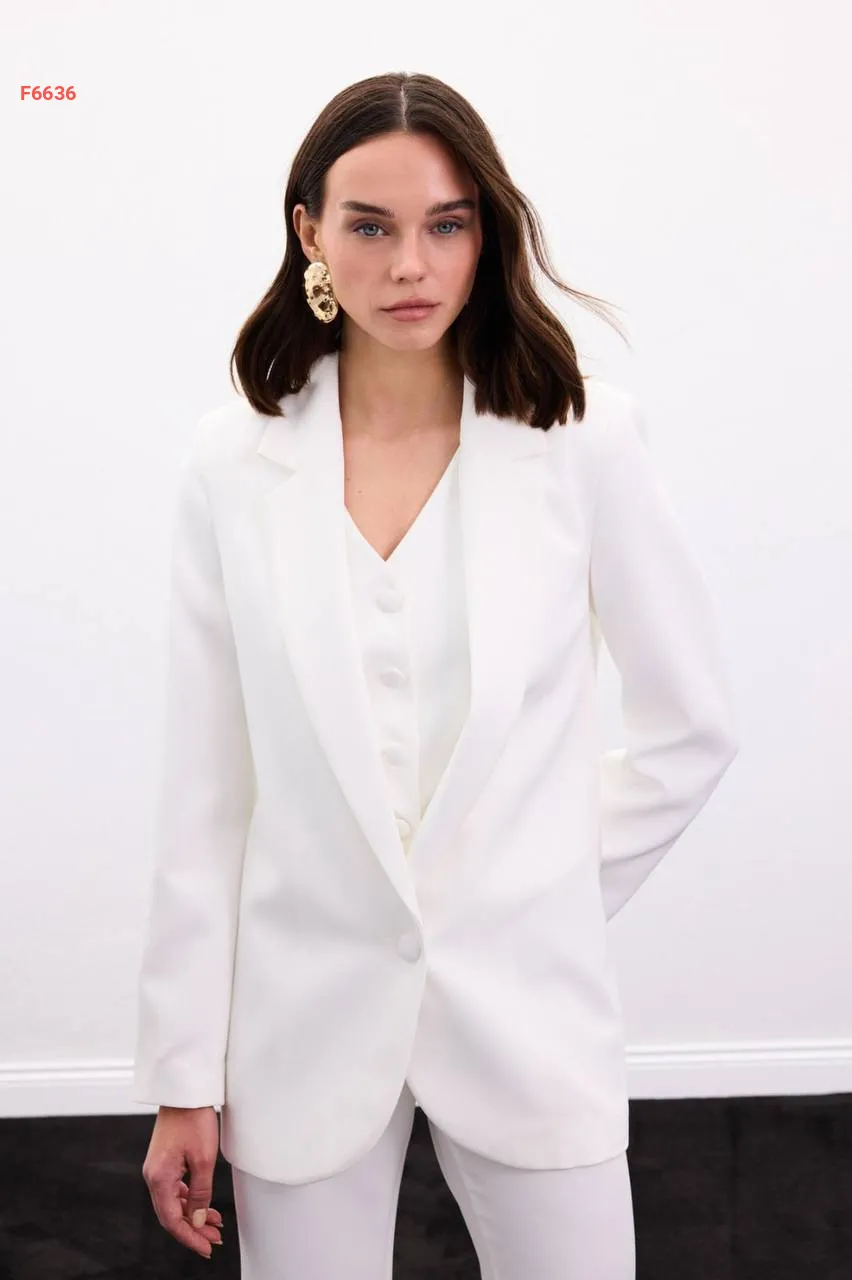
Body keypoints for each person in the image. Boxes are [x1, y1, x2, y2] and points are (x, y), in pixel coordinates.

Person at [132, 70, 739, 1279]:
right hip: (299, 1029)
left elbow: (693, 727)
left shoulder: (583, 440)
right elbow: (206, 794)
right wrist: (181, 1073)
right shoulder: (232, 465)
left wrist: (538, 885)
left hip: (533, 1016)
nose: (411, 264)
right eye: (370, 226)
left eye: (446, 224)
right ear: (310, 232)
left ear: (485, 233)